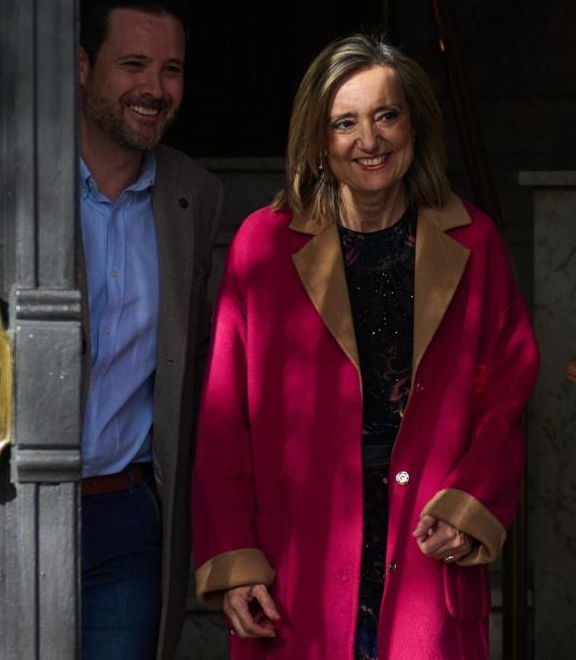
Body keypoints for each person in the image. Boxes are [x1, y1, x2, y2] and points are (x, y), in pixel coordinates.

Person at [0, 0, 224, 660]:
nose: (154, 87)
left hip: (127, 519)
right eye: (134, 65)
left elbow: (196, 367)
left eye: (171, 70)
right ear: (84, 67)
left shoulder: (192, 194)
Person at [192, 33, 538, 659]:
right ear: (318, 143)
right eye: (344, 123)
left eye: (386, 115)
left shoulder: (475, 241)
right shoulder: (262, 246)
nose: (370, 140)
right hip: (303, 550)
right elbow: (224, 418)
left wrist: (473, 499)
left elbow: (506, 395)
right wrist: (235, 558)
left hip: (426, 543)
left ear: (415, 125)